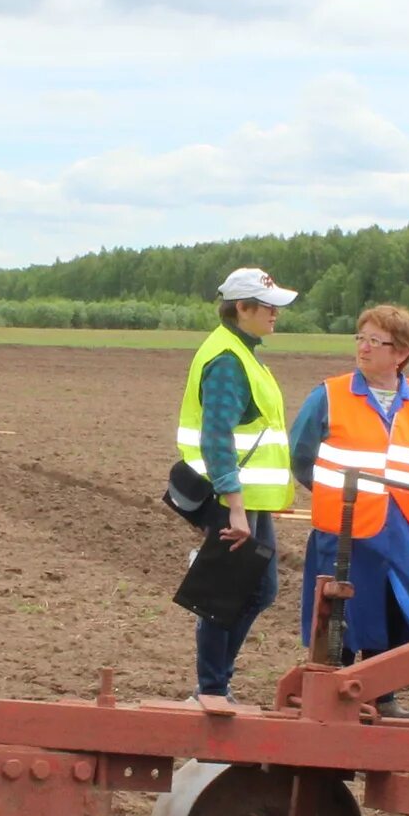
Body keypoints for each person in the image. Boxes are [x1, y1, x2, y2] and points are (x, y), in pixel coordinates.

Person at [290, 302, 409, 713]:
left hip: (400, 529)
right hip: (344, 529)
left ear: (401, 352)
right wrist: (334, 495)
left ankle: (382, 696)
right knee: (341, 617)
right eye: (361, 338)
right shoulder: (329, 395)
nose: (365, 347)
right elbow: (301, 456)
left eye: (376, 341)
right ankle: (332, 697)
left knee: (391, 614)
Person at [177, 266, 300, 701]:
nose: (275, 315)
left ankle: (214, 685)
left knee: (252, 589)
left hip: (245, 497)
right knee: (234, 591)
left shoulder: (241, 352)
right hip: (231, 497)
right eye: (268, 308)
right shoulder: (229, 359)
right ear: (242, 308)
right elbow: (216, 435)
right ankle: (211, 688)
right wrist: (234, 506)